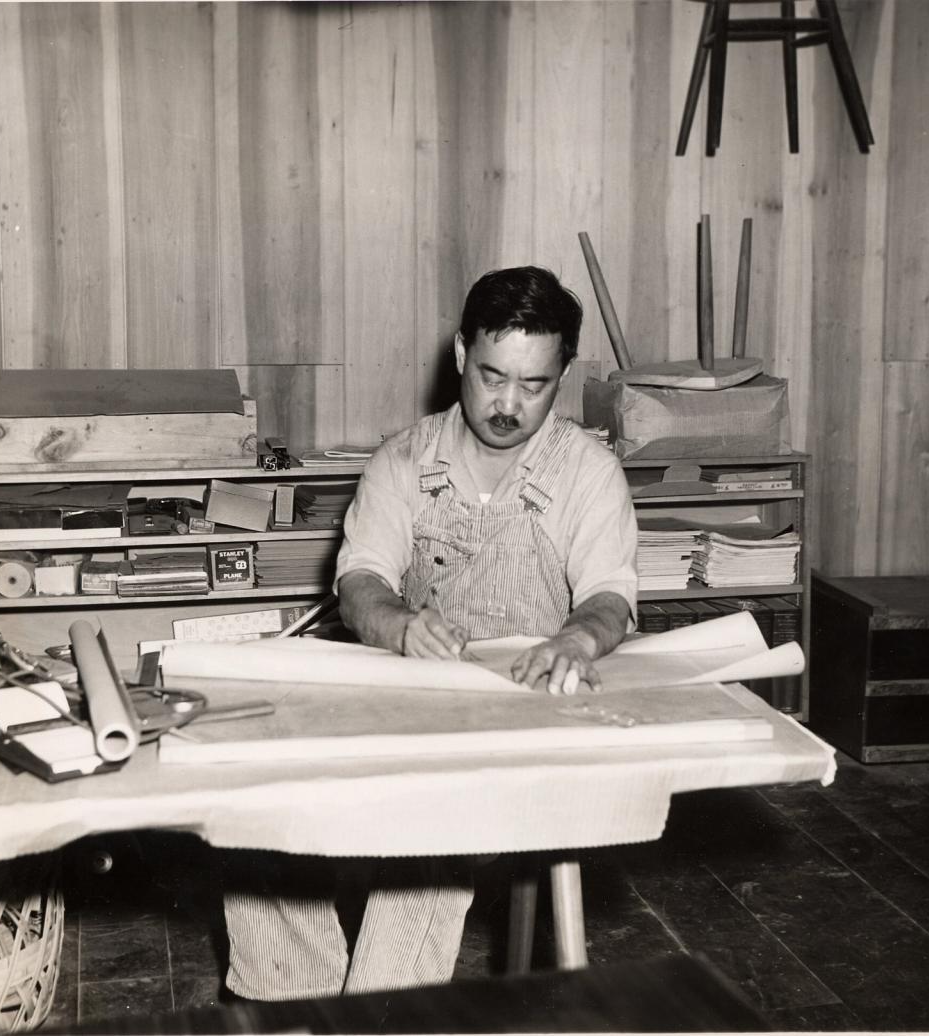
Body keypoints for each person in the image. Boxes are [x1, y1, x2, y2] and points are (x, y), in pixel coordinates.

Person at [223, 265, 638, 1000]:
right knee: (258, 817)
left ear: (563, 374)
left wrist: (577, 640)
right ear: (458, 355)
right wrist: (396, 625)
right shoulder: (403, 460)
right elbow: (361, 584)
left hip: (520, 723)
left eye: (534, 385)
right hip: (407, 704)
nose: (508, 404)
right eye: (491, 376)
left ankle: (380, 1019)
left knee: (430, 842)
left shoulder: (590, 473)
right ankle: (295, 1012)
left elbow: (610, 596)